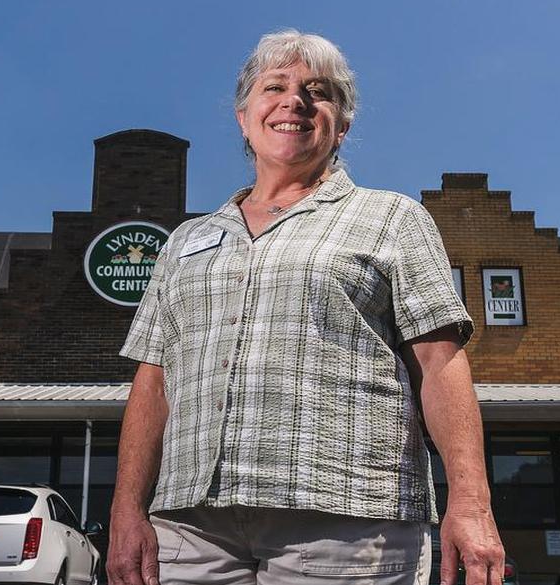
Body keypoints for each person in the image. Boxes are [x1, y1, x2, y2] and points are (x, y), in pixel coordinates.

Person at [110, 29, 504, 585]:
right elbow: (153, 381)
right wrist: (126, 509)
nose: (293, 101)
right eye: (274, 87)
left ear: (341, 126)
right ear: (244, 118)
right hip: (191, 528)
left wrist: (471, 502)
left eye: (317, 92)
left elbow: (440, 364)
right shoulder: (186, 240)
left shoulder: (391, 218)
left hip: (347, 518)